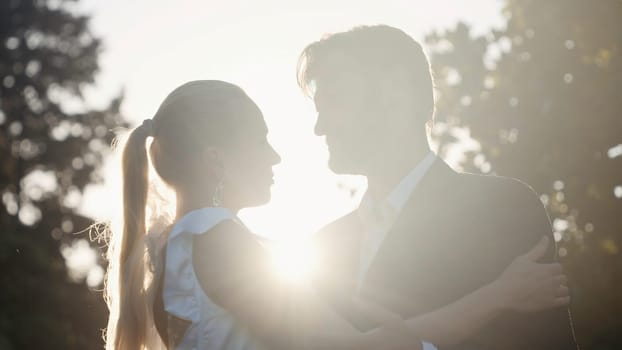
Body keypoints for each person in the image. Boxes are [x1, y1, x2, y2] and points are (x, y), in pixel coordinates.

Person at [103, 80, 569, 350]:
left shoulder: (173, 245)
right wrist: (497, 297)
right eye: (260, 140)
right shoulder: (220, 240)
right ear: (217, 160)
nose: (275, 157)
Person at [298, 25, 579, 349]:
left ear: (395, 91)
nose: (320, 127)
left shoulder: (501, 207)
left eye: (335, 98)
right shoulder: (325, 248)